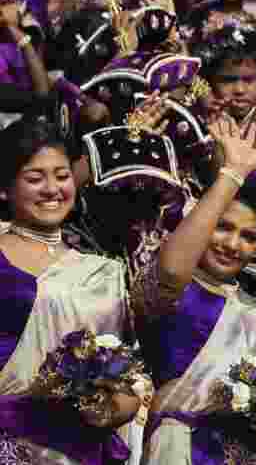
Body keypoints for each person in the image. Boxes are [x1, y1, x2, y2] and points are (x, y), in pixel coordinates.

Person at [136, 115, 256, 463]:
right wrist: (232, 173)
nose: (232, 244)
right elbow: (171, 267)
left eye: (248, 237)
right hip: (175, 448)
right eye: (222, 227)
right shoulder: (174, 287)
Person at [0, 119, 141, 462]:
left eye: (62, 176)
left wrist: (114, 407)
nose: (52, 189)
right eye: (35, 178)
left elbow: (129, 373)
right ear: (5, 188)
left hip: (80, 446)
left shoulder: (102, 271)